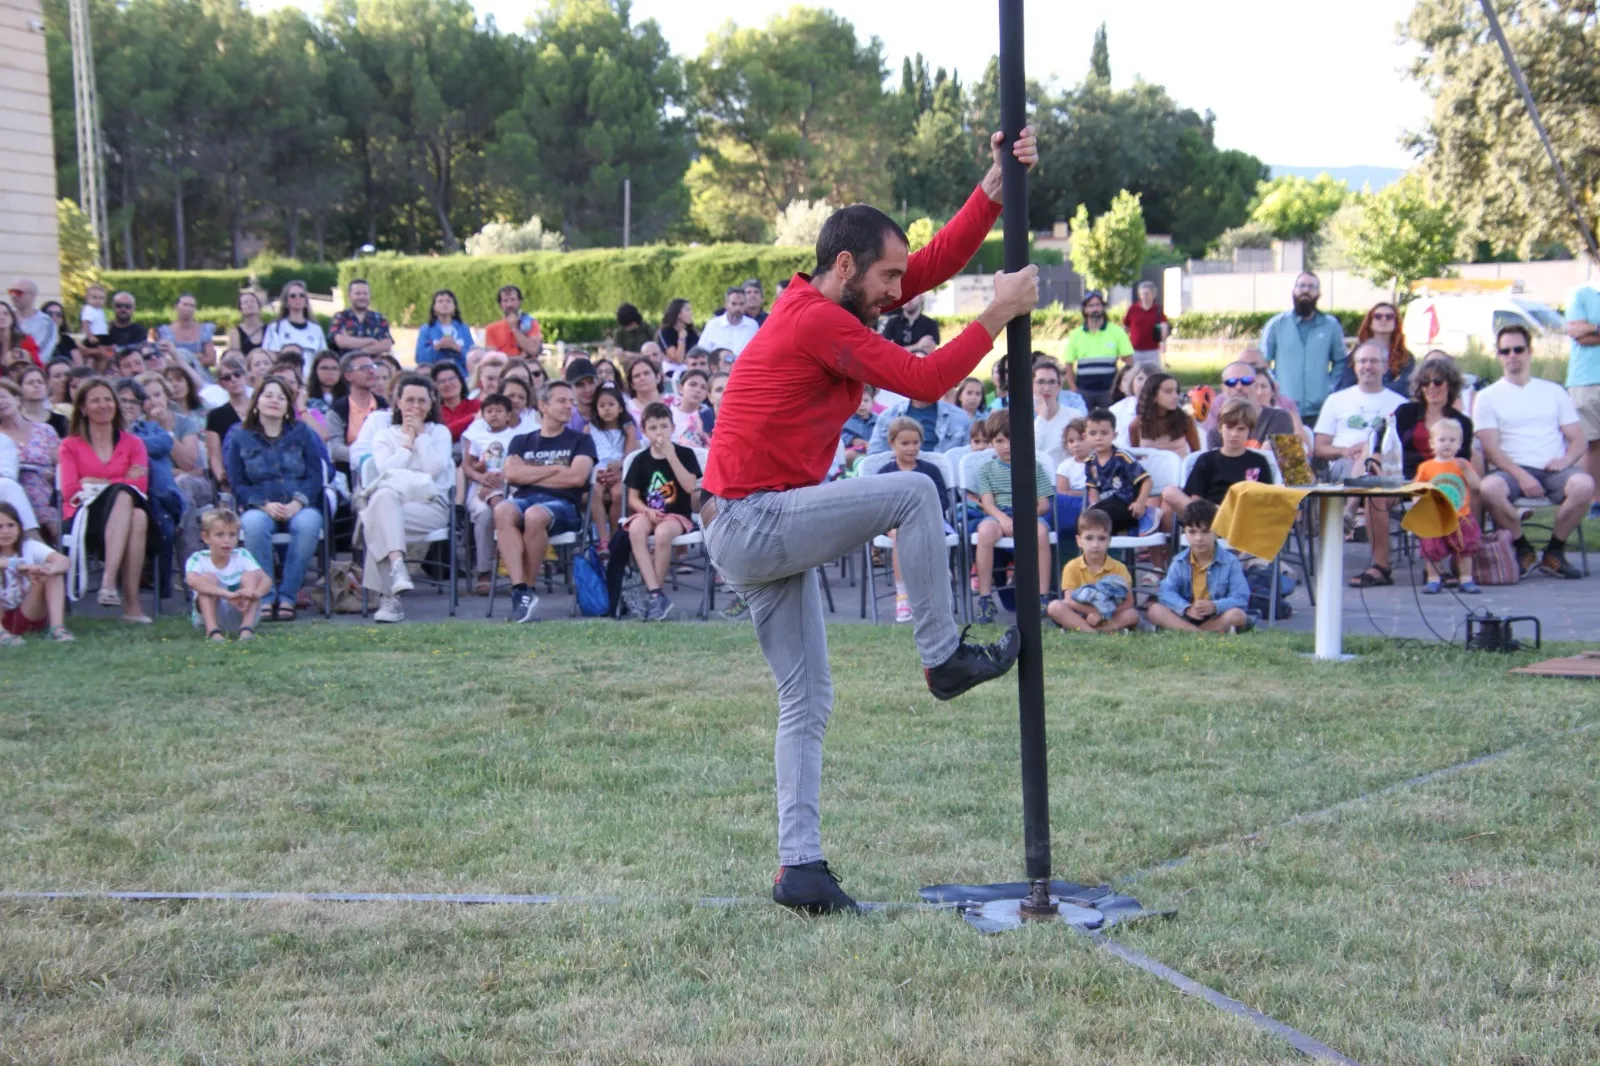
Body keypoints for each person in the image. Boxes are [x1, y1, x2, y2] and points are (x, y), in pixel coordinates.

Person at [701, 126, 1039, 914]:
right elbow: (923, 377)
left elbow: (931, 262)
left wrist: (994, 187)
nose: (898, 291)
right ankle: (942, 657)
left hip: (752, 526)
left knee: (807, 700)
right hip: (754, 523)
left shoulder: (829, 300)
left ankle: (801, 870)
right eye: (885, 275)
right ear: (844, 265)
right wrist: (996, 315)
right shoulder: (816, 321)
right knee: (913, 490)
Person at [1474, 324, 1595, 579]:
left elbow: (1577, 439)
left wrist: (1566, 460)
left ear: (1530, 352)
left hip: (1552, 469)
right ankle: (1523, 548)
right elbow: (1491, 449)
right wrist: (1521, 476)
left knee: (1584, 485)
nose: (1512, 355)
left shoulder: (1553, 391)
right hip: (1510, 470)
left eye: (1518, 349)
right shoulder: (1487, 396)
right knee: (1488, 489)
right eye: (1505, 351)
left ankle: (1554, 552)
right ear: (1498, 355)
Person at [224, 377, 326, 621]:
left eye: (281, 397)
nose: (275, 401)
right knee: (254, 525)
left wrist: (297, 503)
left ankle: (289, 596)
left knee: (309, 524)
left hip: (299, 503)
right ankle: (265, 597)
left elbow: (315, 475)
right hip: (259, 504)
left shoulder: (302, 433)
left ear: (288, 406)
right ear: (257, 402)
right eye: (268, 395)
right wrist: (263, 505)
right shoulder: (240, 437)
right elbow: (237, 483)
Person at [494, 380, 596, 622]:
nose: (569, 406)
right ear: (543, 405)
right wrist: (554, 469)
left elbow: (576, 478)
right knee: (502, 510)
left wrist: (530, 473)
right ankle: (521, 590)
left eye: (571, 402)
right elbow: (511, 475)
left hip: (563, 507)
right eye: (561, 401)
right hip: (524, 500)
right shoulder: (522, 440)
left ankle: (527, 590)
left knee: (535, 515)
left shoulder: (581, 441)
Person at [359, 374, 453, 624]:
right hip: (393, 504)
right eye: (410, 400)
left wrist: (420, 436)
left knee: (376, 517)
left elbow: (434, 470)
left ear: (431, 404)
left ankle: (389, 598)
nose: (416, 406)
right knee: (384, 502)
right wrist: (407, 443)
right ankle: (397, 569)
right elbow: (385, 471)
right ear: (398, 402)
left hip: (429, 507)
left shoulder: (439, 432)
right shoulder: (384, 436)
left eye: (422, 401)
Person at [1312, 342, 1406, 588]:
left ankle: (1352, 510)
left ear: (1385, 367)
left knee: (1371, 454)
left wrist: (1368, 452)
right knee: (1366, 460)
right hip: (1341, 466)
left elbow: (1400, 451)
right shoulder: (1337, 400)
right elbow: (1319, 447)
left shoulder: (1399, 404)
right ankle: (1359, 517)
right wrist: (1344, 451)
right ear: (1354, 367)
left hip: (1384, 468)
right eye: (1362, 361)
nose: (1368, 366)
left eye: (1374, 361)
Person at [58, 377, 152, 621]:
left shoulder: (134, 443)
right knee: (125, 496)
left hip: (126, 512)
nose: (103, 405)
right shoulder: (70, 445)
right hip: (86, 518)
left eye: (108, 399)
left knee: (136, 511)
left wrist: (96, 482)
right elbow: (70, 491)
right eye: (95, 400)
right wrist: (119, 480)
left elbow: (140, 484)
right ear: (83, 408)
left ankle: (119, 594)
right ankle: (121, 595)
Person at [971, 408, 1054, 624]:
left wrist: (1022, 518)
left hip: (1028, 514)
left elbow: (1044, 504)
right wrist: (1004, 519)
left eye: (1012, 439)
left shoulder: (1033, 466)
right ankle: (985, 598)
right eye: (999, 440)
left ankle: (1042, 596)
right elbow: (987, 503)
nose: (1007, 446)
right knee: (985, 531)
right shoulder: (986, 469)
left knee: (1041, 533)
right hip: (999, 515)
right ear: (991, 442)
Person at [623, 401, 703, 621]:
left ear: (672, 427)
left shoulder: (685, 454)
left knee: (662, 533)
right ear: (644, 431)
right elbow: (632, 498)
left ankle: (655, 596)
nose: (659, 432)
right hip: (650, 512)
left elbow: (689, 486)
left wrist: (671, 456)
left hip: (677, 515)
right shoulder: (640, 459)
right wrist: (646, 510)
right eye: (653, 428)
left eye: (663, 426)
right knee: (636, 528)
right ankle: (656, 593)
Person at [874, 415, 952, 624]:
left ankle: (936, 590)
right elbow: (878, 506)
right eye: (905, 443)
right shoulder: (885, 473)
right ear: (892, 444)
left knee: (918, 534)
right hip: (893, 525)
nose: (911, 448)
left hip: (929, 521)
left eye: (916, 443)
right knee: (901, 534)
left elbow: (943, 501)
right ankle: (902, 596)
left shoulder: (930, 470)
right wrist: (889, 526)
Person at [133, 372, 212, 564]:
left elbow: (188, 463)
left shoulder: (185, 423)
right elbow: (144, 469)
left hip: (196, 485)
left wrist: (167, 431)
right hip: (161, 487)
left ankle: (185, 558)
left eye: (157, 395)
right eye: (146, 397)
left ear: (167, 396)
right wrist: (176, 473)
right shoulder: (138, 429)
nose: (153, 401)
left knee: (182, 486)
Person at [1146, 498, 1251, 633]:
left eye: (1205, 531)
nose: (1199, 538)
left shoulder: (1230, 562)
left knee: (1237, 615)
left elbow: (1241, 597)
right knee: (1154, 610)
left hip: (1217, 616)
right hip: (1188, 615)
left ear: (1217, 531)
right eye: (1192, 532)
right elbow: (1166, 592)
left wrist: (1215, 606)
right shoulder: (1179, 561)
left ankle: (1193, 632)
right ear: (1185, 531)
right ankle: (1200, 633)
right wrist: (1186, 608)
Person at [1163, 397, 1275, 515]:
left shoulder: (1258, 461)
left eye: (1241, 429)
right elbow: (1196, 500)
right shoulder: (1206, 460)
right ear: (1220, 428)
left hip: (1245, 517)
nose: (1234, 434)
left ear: (1249, 431)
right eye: (1229, 427)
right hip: (1210, 518)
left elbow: (1266, 499)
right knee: (1170, 492)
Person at [1261, 272, 1347, 423]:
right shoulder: (1276, 325)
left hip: (1320, 410)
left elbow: (1341, 361)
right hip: (1284, 410)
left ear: (1318, 294)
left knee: (1317, 447)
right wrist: (1275, 387)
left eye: (1311, 287)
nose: (1305, 290)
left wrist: (1330, 387)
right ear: (1294, 291)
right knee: (1290, 448)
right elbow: (1263, 362)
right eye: (1301, 286)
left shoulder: (1330, 326)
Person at [1416, 419, 1483, 595]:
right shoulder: (1426, 467)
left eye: (1452, 440)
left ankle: (1466, 579)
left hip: (1460, 516)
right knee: (1433, 549)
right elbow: (1418, 489)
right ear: (1432, 443)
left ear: (1459, 444)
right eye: (1442, 440)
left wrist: (1467, 471)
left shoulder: (1462, 465)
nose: (1447, 444)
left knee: (1464, 549)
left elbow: (1477, 486)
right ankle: (1433, 579)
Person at [1047, 507, 1137, 633]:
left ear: (1109, 541)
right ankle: (1093, 632)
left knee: (1132, 614)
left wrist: (1102, 614)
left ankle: (1088, 630)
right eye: (1089, 538)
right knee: (1054, 607)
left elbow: (1129, 602)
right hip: (1079, 614)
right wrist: (1093, 612)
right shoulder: (1072, 566)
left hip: (1110, 615)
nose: (1095, 545)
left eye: (1102, 538)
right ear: (1079, 541)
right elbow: (1069, 600)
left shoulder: (1119, 568)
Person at [184, 507, 268, 642]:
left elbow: (266, 580)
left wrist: (254, 593)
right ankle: (212, 631)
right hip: (210, 613)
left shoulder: (242, 554)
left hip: (242, 609)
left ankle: (246, 629)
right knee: (207, 580)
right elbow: (192, 581)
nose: (226, 540)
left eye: (232, 535)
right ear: (205, 537)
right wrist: (227, 594)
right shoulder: (198, 558)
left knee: (251, 576)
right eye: (220, 535)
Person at [0, 502, 72, 645]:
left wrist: (49, 569)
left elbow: (64, 561)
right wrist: (21, 566)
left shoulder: (29, 546)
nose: (6, 531)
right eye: (0, 527)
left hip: (28, 612)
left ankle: (57, 630)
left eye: (11, 525)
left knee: (52, 573)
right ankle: (1, 635)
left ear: (19, 527)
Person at [1393, 356, 1474, 479]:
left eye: (1438, 381)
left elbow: (1462, 461)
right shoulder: (1404, 412)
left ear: (1450, 385)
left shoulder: (1463, 423)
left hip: (1445, 482)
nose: (1431, 386)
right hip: (1405, 480)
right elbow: (1381, 442)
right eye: (1425, 382)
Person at [0, 380, 59, 542]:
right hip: (11, 493)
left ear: (17, 399)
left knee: (34, 482)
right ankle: (45, 540)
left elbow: (61, 465)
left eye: (3, 397)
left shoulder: (44, 430)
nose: (0, 403)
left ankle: (49, 539)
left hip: (47, 485)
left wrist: (54, 475)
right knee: (25, 481)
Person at [1083, 407, 1154, 535]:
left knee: (1100, 521)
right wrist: (1094, 504)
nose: (1098, 438)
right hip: (1106, 505)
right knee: (1084, 522)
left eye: (1104, 433)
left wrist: (1141, 502)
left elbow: (1147, 480)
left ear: (1114, 435)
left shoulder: (1122, 457)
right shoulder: (1090, 462)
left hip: (1127, 504)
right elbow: (1092, 487)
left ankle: (1146, 514)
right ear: (1085, 436)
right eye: (1093, 433)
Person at [1202, 360, 1297, 450]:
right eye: (1231, 382)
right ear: (1223, 388)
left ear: (1255, 385)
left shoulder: (1279, 418)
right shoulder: (1215, 433)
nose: (1239, 387)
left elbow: (1293, 464)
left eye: (1246, 381)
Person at [587, 383, 638, 545]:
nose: (607, 409)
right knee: (595, 491)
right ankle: (603, 538)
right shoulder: (589, 429)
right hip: (598, 471)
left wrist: (619, 466)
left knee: (618, 494)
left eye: (611, 404)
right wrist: (597, 472)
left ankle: (616, 537)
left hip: (619, 470)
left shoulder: (628, 428)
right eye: (602, 405)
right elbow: (586, 456)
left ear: (621, 408)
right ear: (596, 409)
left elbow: (630, 455)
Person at [1563, 281, 1600, 499]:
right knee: (1590, 443)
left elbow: (1585, 332)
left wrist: (1592, 326)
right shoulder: (1580, 293)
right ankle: (1592, 499)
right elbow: (1579, 336)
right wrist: (1590, 330)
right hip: (1585, 380)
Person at [324, 351, 389, 470]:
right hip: (349, 471)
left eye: (372, 367)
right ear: (348, 376)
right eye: (364, 368)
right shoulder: (337, 410)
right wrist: (365, 456)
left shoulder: (385, 406)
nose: (371, 372)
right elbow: (335, 449)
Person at [866, 388, 971, 454]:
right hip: (900, 477)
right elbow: (875, 455)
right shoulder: (887, 417)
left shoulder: (960, 417)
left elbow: (969, 455)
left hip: (946, 478)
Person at [1343, 301, 1414, 395]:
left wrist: (1372, 389)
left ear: (1396, 323)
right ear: (1370, 322)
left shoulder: (1405, 357)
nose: (1383, 320)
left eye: (1389, 317)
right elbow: (1346, 385)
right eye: (1378, 316)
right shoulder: (1356, 354)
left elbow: (1404, 387)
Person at [205, 355, 252, 489]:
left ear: (245, 376)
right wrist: (222, 480)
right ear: (221, 383)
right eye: (227, 377)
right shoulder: (215, 416)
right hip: (232, 475)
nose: (233, 380)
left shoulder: (260, 409)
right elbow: (215, 456)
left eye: (237, 374)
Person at [1128, 372, 1200, 457]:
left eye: (1176, 391)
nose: (1175, 396)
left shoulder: (1185, 420)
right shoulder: (1136, 424)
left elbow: (1196, 454)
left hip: (1179, 469)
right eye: (1168, 392)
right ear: (1153, 396)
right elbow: (1136, 458)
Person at [154, 293, 218, 380]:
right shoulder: (165, 332)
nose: (188, 308)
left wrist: (179, 357)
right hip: (174, 378)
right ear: (176, 307)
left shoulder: (204, 330)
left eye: (192, 306)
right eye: (185, 305)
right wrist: (197, 357)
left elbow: (211, 360)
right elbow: (165, 360)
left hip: (202, 377)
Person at [1032, 357, 1087, 455]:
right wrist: (1042, 418)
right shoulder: (1021, 418)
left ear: (1059, 385)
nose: (1046, 388)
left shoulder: (1073, 416)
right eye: (1040, 382)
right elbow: (1031, 451)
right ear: (1032, 385)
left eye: (1052, 382)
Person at [1064, 290, 1133, 366]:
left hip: (1111, 378)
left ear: (1103, 307)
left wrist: (1124, 377)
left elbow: (1129, 360)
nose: (1095, 309)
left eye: (1098, 305)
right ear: (1085, 310)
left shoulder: (1118, 332)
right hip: (1083, 378)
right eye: (1091, 306)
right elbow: (1068, 364)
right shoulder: (1075, 335)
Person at [263, 280, 327, 358]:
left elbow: (323, 357)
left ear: (306, 301)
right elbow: (268, 356)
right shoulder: (276, 328)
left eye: (302, 295)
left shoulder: (316, 329)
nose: (298, 298)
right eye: (293, 296)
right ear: (286, 302)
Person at [697, 287, 760, 361]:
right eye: (734, 304)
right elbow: (702, 352)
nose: (737, 308)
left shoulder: (753, 326)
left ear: (746, 305)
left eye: (741, 304)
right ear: (726, 304)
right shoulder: (713, 325)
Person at [414, 289, 472, 368]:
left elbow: (473, 358)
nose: (444, 304)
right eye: (440, 301)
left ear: (454, 307)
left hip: (461, 375)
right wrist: (438, 346)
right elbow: (420, 359)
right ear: (434, 308)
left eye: (448, 301)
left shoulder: (463, 329)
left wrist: (456, 347)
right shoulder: (426, 329)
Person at [483, 285, 542, 358]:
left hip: (529, 367)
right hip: (504, 368)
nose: (509, 304)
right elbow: (492, 359)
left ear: (519, 302)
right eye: (505, 301)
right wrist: (519, 357)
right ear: (500, 305)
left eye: (513, 300)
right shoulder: (491, 329)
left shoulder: (531, 323)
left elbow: (534, 350)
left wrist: (514, 328)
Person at [1053, 416, 1089, 535]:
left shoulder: (1099, 462)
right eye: (1071, 441)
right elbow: (1062, 493)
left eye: (1080, 439)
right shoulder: (1065, 466)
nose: (1076, 445)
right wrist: (1083, 493)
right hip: (1072, 504)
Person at [8, 279, 57, 363]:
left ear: (32, 295)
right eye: (11, 292)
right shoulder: (6, 317)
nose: (13, 296)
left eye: (18, 292)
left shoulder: (46, 323)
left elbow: (43, 354)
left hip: (33, 370)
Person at [1122, 280, 1169, 368]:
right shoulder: (1133, 309)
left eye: (1147, 293)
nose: (1144, 296)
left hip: (1153, 350)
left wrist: (1163, 339)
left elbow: (1164, 327)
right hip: (1135, 350)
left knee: (1153, 376)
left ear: (1153, 294)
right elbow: (1125, 328)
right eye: (1142, 294)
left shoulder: (1158, 310)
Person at [431, 361, 479, 442]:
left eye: (452, 379)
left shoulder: (477, 405)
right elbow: (443, 435)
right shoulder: (433, 412)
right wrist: (473, 417)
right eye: (442, 381)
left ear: (461, 381)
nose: (448, 384)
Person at [17, 364, 67, 437]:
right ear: (20, 388)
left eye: (40, 382)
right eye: (30, 383)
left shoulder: (61, 420)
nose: (36, 385)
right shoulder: (16, 420)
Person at [1107, 364, 1149, 444]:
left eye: (1150, 379)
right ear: (1132, 382)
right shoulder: (1116, 410)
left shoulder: (1170, 408)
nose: (1144, 384)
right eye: (1140, 379)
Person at [656, 299, 699, 364]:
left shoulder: (691, 331)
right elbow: (678, 359)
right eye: (687, 310)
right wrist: (681, 339)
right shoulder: (664, 332)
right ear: (678, 314)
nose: (691, 313)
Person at [0, 301, 40, 371]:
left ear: (12, 319)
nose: (1, 317)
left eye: (5, 314)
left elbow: (37, 367)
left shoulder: (26, 340)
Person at [841, 385, 877, 461]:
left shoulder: (878, 420)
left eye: (866, 400)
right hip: (854, 453)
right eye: (858, 400)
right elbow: (838, 436)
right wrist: (852, 440)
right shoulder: (845, 420)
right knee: (848, 455)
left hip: (873, 452)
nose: (862, 404)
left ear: (873, 402)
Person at [227, 289, 268, 356]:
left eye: (252, 301)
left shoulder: (270, 329)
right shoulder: (235, 332)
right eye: (245, 302)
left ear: (259, 307)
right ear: (240, 310)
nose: (249, 304)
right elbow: (235, 357)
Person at [624, 356, 665, 423]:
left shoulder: (675, 403)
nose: (642, 378)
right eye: (637, 376)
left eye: (646, 373)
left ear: (658, 378)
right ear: (632, 384)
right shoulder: (626, 410)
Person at [105, 292, 147, 356]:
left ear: (133, 308)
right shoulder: (104, 329)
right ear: (113, 306)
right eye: (119, 306)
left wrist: (116, 349)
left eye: (128, 306)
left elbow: (138, 352)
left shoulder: (139, 331)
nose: (123, 309)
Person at [564, 358, 599, 433]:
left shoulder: (610, 413)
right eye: (579, 385)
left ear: (597, 383)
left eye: (590, 382)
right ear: (570, 388)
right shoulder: (565, 420)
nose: (587, 389)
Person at [305, 351, 345, 415]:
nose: (330, 372)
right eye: (324, 368)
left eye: (334, 369)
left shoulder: (349, 399)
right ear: (315, 371)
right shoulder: (306, 398)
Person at [41, 302, 79, 366]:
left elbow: (78, 365)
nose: (54, 317)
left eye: (59, 314)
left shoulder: (68, 340)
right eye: (50, 314)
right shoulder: (35, 339)